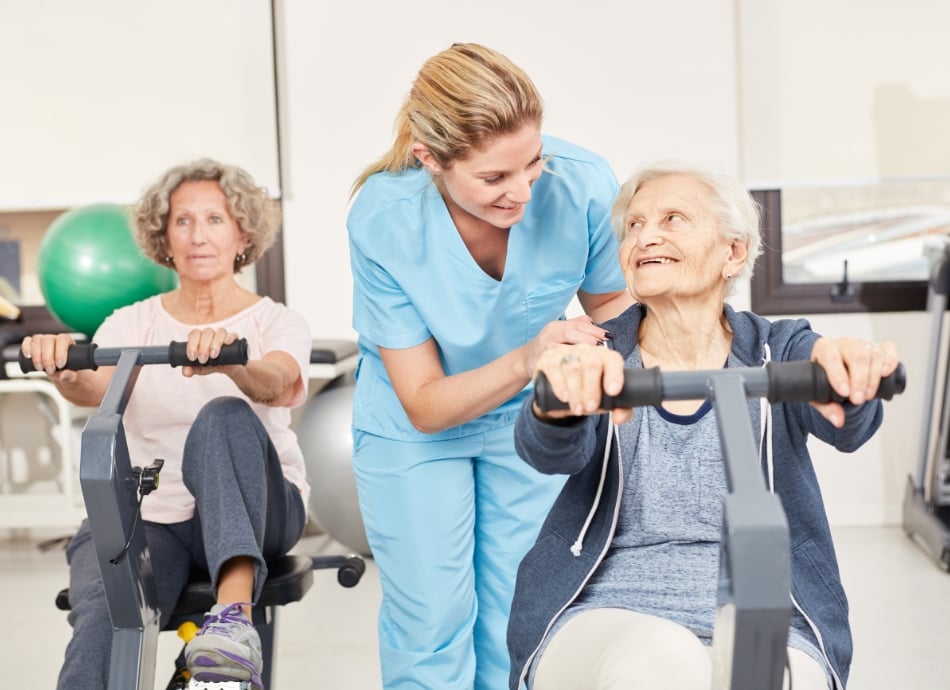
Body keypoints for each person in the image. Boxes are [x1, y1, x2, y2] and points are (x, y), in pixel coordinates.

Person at [506, 162, 901, 690]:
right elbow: (549, 449)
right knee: (664, 659)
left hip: (771, 605)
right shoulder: (597, 353)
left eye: (673, 219)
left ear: (732, 252)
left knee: (761, 667)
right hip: (603, 609)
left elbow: (849, 421)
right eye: (634, 226)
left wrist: (850, 377)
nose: (646, 236)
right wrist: (558, 401)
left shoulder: (779, 350)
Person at [347, 42, 634, 690]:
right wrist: (529, 358)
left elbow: (612, 303)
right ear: (430, 160)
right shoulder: (384, 215)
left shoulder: (581, 182)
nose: (524, 192)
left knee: (521, 619)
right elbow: (423, 403)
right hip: (415, 429)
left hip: (527, 425)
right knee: (431, 623)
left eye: (532, 163)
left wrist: (608, 359)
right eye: (495, 179)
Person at [23, 159, 312, 690]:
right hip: (154, 516)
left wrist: (232, 364)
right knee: (103, 624)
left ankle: (230, 631)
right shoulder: (133, 322)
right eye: (183, 221)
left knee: (223, 414)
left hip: (260, 508)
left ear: (243, 233)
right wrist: (64, 368)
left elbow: (275, 380)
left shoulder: (275, 321)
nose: (198, 236)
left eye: (215, 220)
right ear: (164, 236)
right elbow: (95, 386)